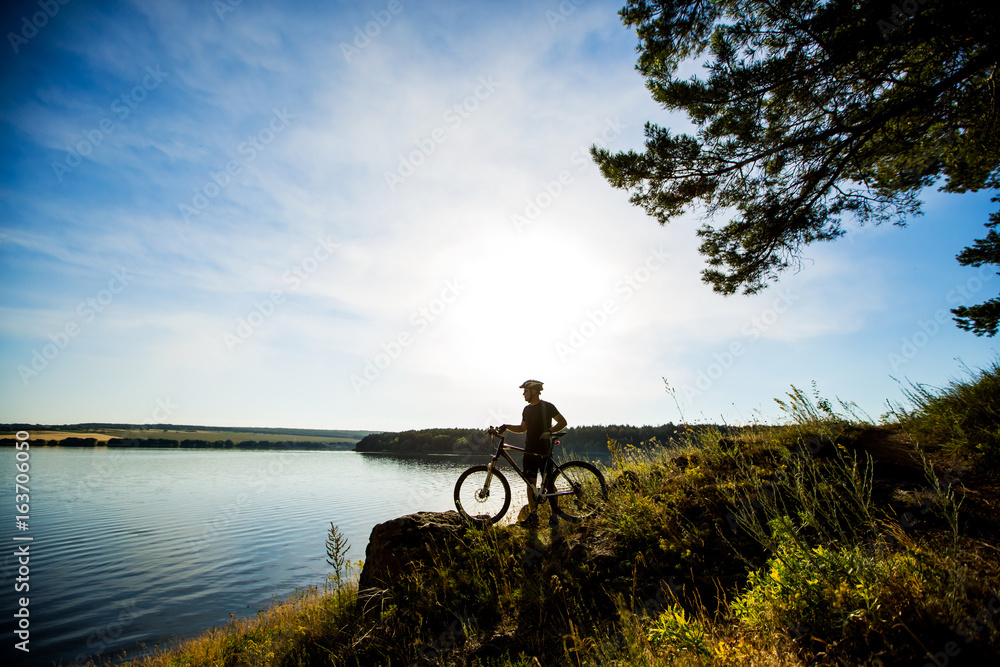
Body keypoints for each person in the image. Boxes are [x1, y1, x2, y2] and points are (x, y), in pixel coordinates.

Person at [497, 379, 567, 526]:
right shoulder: (526, 409)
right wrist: (506, 426)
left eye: (525, 391)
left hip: (544, 451)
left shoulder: (547, 406)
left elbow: (562, 422)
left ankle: (554, 516)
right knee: (530, 484)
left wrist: (550, 431)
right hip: (529, 451)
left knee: (549, 484)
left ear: (534, 391)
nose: (523, 394)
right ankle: (533, 516)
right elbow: (522, 428)